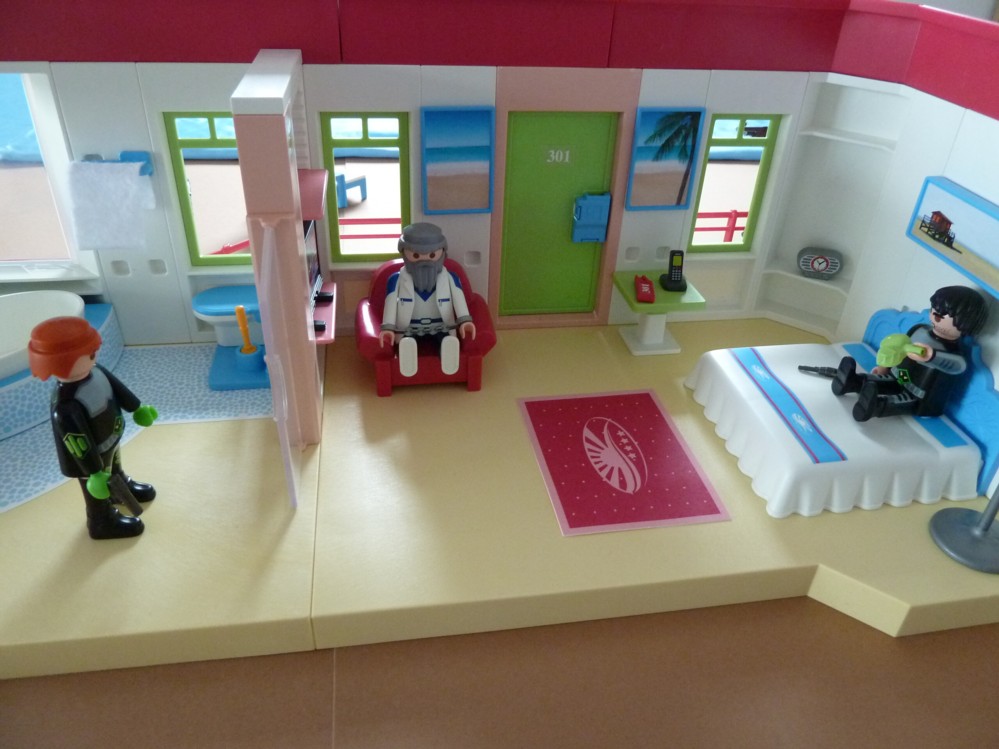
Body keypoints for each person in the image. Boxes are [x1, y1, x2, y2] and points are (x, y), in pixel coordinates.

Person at [28, 316, 158, 539]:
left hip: (109, 437)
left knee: (114, 466)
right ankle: (101, 521)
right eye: (88, 354)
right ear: (61, 363)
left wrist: (136, 408)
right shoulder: (65, 406)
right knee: (96, 490)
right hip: (88, 459)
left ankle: (120, 489)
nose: (94, 356)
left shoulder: (96, 371)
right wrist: (94, 472)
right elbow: (77, 442)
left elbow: (118, 389)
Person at [832, 286, 989, 422]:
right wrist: (884, 367)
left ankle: (876, 406)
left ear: (967, 323)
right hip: (903, 376)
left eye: (945, 315)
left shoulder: (953, 352)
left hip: (923, 395)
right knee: (888, 381)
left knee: (904, 400)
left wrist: (931, 356)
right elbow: (898, 350)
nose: (937, 316)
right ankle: (854, 382)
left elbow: (958, 366)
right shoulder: (919, 329)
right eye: (935, 310)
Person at [379, 222, 476, 377]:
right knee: (407, 342)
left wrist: (465, 320)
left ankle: (448, 354)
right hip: (409, 327)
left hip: (441, 325)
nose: (424, 261)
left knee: (446, 340)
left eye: (431, 255)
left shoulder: (450, 277)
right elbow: (390, 304)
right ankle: (407, 357)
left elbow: (459, 299)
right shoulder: (396, 280)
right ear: (404, 252)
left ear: (442, 252)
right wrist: (388, 327)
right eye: (416, 256)